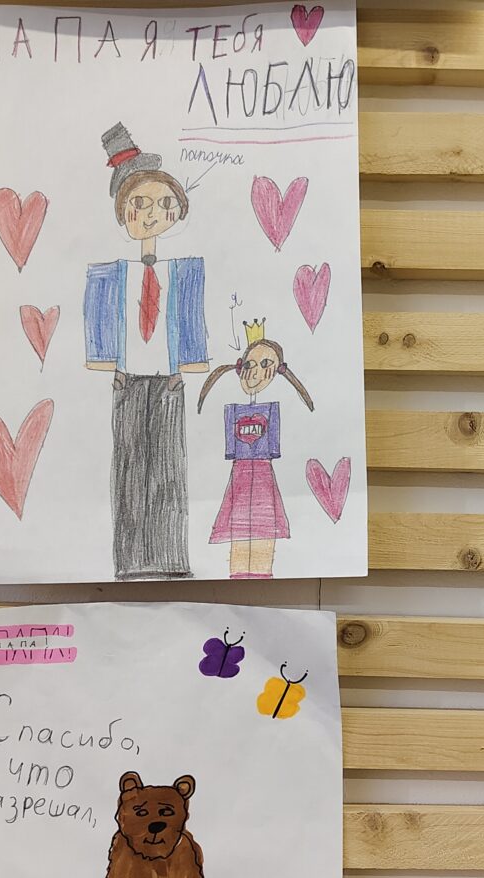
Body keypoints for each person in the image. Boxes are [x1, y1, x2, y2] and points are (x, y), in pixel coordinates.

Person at [83, 122, 209, 580]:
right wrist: (113, 369)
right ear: (123, 213)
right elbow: (99, 324)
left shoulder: (185, 271)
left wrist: (183, 370)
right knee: (129, 466)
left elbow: (192, 324)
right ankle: (131, 560)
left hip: (169, 380)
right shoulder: (109, 272)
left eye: (163, 204)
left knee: (169, 466)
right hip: (129, 380)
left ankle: (170, 557)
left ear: (177, 210)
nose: (152, 214)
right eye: (139, 205)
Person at [196, 320, 314, 579]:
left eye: (265, 364)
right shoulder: (232, 410)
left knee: (262, 538)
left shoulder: (273, 410)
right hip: (238, 481)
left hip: (263, 480)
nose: (255, 372)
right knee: (238, 543)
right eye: (249, 364)